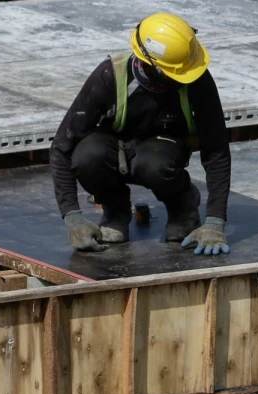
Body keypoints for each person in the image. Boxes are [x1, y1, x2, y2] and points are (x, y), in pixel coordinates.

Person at [51, 13, 232, 255]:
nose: (184, 77)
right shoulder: (109, 77)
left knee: (153, 163)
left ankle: (182, 207)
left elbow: (216, 149)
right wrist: (72, 218)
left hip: (163, 150)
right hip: (112, 147)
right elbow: (62, 146)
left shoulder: (196, 80)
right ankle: (115, 211)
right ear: (152, 65)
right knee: (87, 156)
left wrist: (215, 222)